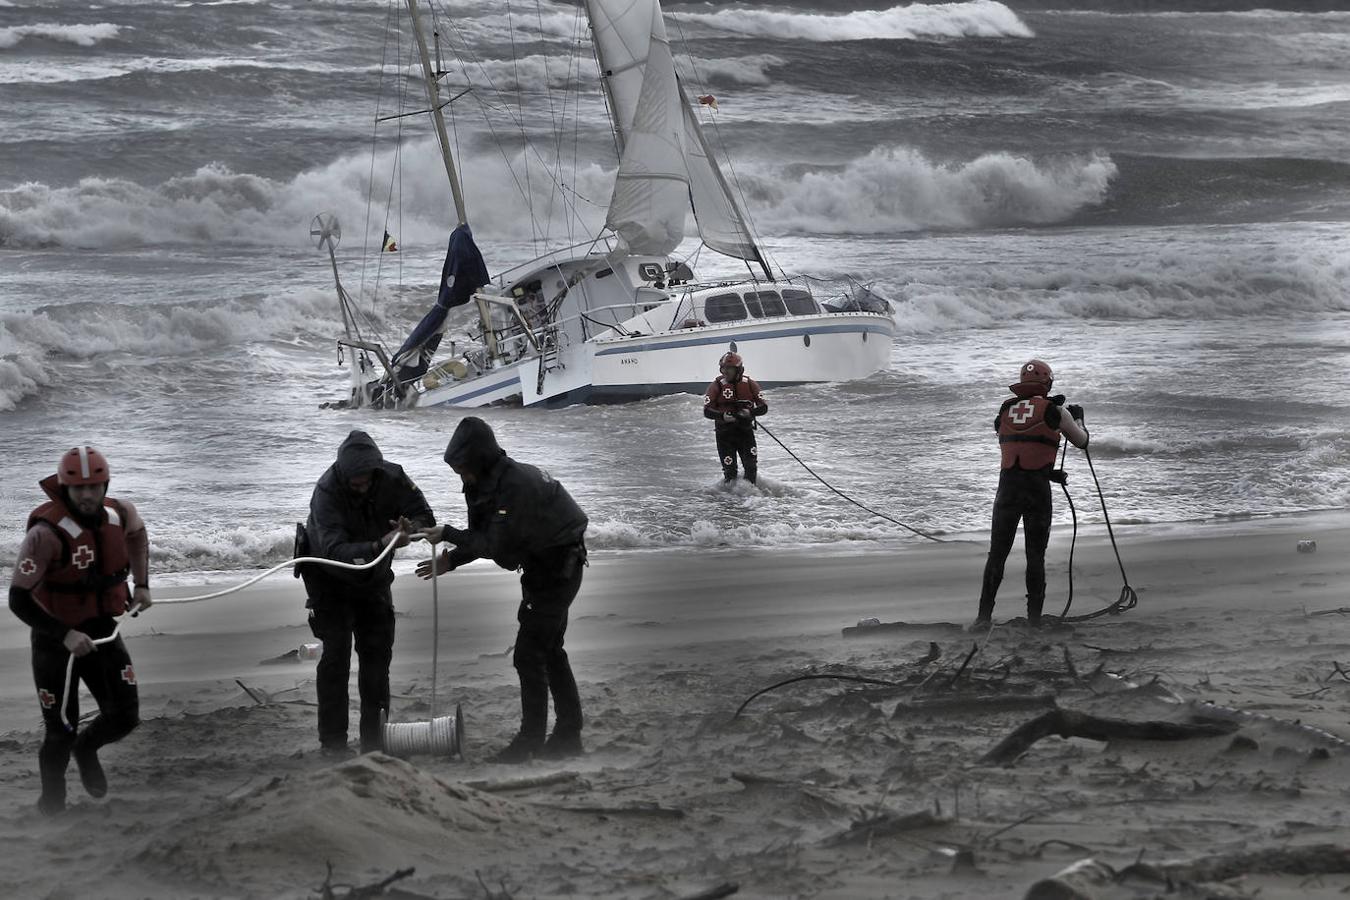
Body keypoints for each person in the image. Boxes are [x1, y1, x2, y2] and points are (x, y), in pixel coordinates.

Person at [415, 417, 589, 764]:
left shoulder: (515, 485)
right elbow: (485, 537)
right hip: (541, 565)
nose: (461, 476)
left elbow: (496, 545)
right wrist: (452, 560)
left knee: (529, 654)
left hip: (560, 567)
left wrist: (448, 533)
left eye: (463, 468)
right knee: (550, 650)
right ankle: (569, 734)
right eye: (457, 470)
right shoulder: (482, 482)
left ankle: (531, 742)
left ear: (479, 458)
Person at [8, 446, 151, 815]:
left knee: (125, 716)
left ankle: (87, 750)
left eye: (94, 486)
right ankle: (52, 805)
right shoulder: (45, 534)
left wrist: (143, 585)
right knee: (60, 731)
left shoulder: (120, 514)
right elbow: (18, 599)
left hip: (102, 628)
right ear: (63, 488)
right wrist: (65, 635)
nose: (87, 495)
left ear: (105, 485)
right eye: (78, 488)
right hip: (55, 639)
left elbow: (137, 536)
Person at [302, 429, 434, 755]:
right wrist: (380, 544)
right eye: (355, 484)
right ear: (343, 476)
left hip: (373, 580)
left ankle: (375, 743)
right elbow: (333, 551)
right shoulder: (326, 492)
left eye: (366, 482)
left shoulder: (393, 476)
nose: (361, 487)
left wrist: (409, 530)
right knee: (335, 660)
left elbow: (425, 516)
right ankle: (332, 744)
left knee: (377, 659)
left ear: (376, 473)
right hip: (328, 580)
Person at [973, 359, 1089, 630]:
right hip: (1036, 492)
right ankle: (1034, 621)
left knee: (997, 555)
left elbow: (1020, 447)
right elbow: (1082, 441)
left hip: (1007, 491)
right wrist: (1079, 417)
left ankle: (983, 618)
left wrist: (1050, 472)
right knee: (1035, 556)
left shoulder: (1005, 410)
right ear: (1047, 383)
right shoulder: (1055, 410)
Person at [702, 351, 768, 484]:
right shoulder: (716, 385)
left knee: (751, 468)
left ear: (739, 369)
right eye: (723, 368)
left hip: (745, 433)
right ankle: (730, 502)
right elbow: (707, 411)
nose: (725, 372)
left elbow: (763, 407)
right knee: (730, 472)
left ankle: (752, 499)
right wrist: (722, 416)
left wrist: (750, 413)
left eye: (729, 368)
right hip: (724, 435)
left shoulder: (750, 384)